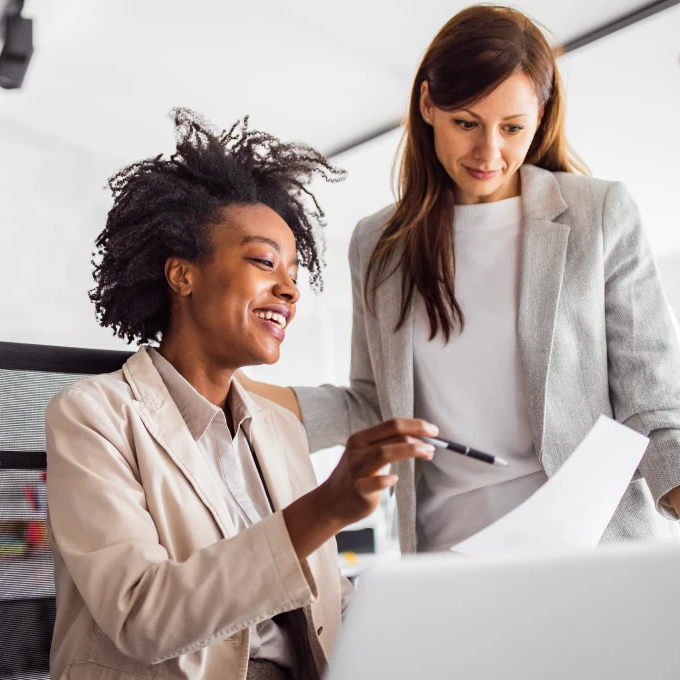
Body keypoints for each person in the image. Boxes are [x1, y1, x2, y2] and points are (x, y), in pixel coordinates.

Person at [235, 5, 680, 671]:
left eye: (512, 127)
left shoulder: (598, 215)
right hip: (456, 572)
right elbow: (372, 403)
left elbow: (655, 403)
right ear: (427, 105)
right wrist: (225, 392)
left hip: (597, 562)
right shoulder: (379, 244)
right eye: (465, 123)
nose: (489, 152)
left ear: (542, 116)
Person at [44, 109, 438, 680]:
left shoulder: (278, 427)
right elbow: (142, 615)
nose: (290, 289)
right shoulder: (91, 417)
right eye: (263, 261)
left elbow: (328, 602)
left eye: (294, 272)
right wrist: (326, 508)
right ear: (182, 275)